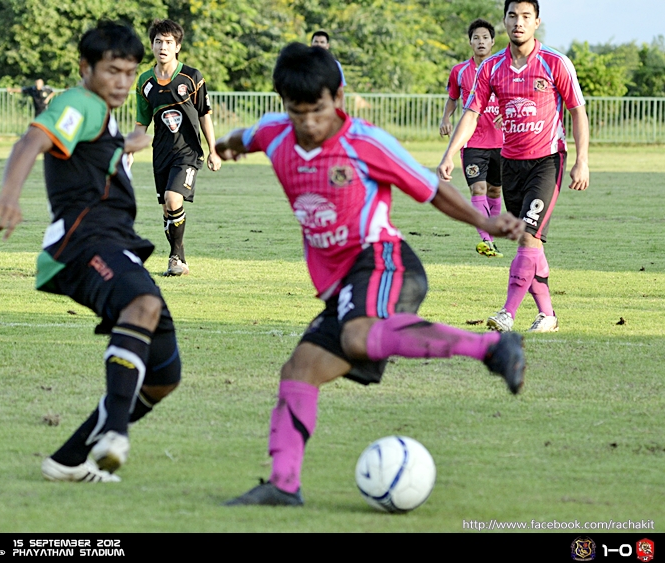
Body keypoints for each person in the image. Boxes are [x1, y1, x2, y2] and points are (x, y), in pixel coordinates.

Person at [214, 43, 527, 507]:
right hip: (342, 286)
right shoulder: (275, 133)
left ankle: (491, 347)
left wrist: (484, 221)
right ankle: (283, 485)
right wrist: (226, 145)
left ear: (337, 97)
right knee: (300, 369)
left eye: (318, 110)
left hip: (382, 261)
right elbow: (246, 136)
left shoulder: (364, 142)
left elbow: (431, 188)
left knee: (358, 336)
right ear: (284, 105)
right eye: (297, 112)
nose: (309, 123)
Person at [0, 21, 182, 483]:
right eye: (113, 71)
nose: (123, 82)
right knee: (142, 304)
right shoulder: (80, 103)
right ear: (85, 68)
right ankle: (113, 434)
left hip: (116, 244)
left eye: (130, 73)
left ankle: (69, 460)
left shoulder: (103, 115)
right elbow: (33, 139)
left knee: (162, 376)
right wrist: (9, 196)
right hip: (84, 243)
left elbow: (90, 156)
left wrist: (125, 145)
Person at [438, 0, 590, 334]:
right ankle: (548, 315)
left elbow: (577, 111)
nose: (518, 22)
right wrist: (450, 154)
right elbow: (471, 113)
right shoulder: (491, 67)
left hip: (547, 161)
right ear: (504, 21)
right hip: (510, 162)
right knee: (529, 241)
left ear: (537, 22)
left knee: (528, 236)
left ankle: (507, 313)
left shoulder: (555, 62)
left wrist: (582, 160)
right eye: (512, 16)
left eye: (525, 16)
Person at [134, 19, 222, 277]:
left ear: (178, 47)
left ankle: (175, 258)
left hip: (188, 152)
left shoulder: (192, 77)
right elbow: (141, 122)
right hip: (161, 153)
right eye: (158, 42)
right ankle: (178, 259)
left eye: (168, 42)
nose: (163, 47)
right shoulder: (145, 82)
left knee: (174, 199)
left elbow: (204, 114)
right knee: (167, 208)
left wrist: (213, 149)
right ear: (152, 45)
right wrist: (129, 152)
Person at [440, 18, 505, 258]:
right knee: (478, 189)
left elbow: (513, 96)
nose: (481, 42)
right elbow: (452, 98)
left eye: (485, 37)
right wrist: (446, 118)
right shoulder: (459, 71)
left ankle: (492, 234)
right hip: (472, 142)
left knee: (495, 192)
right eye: (476, 38)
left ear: (492, 41)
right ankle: (486, 240)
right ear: (470, 42)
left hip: (501, 142)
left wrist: (508, 112)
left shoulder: (502, 69)